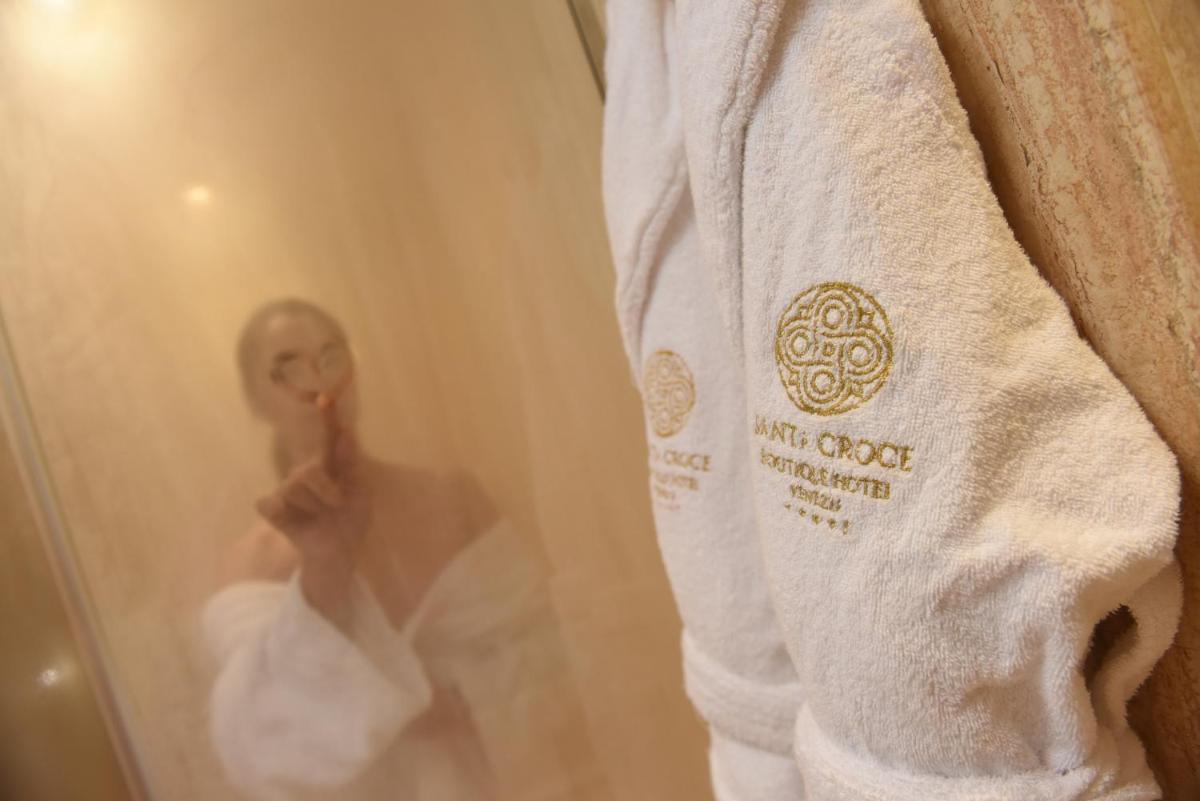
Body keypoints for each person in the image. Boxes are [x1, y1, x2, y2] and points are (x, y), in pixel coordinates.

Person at [203, 299, 602, 801]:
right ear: (257, 402)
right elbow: (262, 742)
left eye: (331, 357)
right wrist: (325, 567)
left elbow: (557, 660)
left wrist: (461, 699)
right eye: (288, 368)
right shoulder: (253, 566)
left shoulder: (452, 499)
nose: (321, 385)